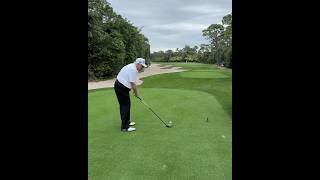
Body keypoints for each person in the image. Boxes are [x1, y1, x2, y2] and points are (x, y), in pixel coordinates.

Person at [114, 58, 147, 132]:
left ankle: (127, 122)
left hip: (121, 86)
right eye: (142, 66)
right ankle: (125, 127)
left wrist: (133, 91)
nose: (142, 68)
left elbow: (131, 82)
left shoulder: (132, 66)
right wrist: (136, 93)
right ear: (138, 64)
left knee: (126, 105)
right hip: (120, 87)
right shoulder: (133, 69)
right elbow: (133, 83)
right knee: (125, 106)